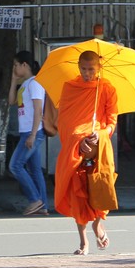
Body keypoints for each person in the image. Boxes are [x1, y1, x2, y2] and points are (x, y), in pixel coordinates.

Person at [53, 50, 118, 255]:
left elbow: (111, 122)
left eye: (91, 69)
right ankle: (83, 242)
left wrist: (99, 134)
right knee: (78, 193)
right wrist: (77, 140)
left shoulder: (107, 88)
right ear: (78, 67)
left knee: (101, 187)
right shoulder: (70, 87)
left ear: (99, 68)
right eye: (83, 69)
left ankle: (98, 224)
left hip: (99, 148)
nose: (87, 73)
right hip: (76, 148)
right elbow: (64, 121)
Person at [8, 51, 48, 216]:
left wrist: (32, 135)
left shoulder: (35, 84)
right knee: (35, 170)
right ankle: (43, 205)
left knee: (15, 165)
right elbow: (11, 102)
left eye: (16, 65)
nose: (15, 68)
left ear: (25, 65)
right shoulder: (25, 84)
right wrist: (13, 80)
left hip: (33, 133)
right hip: (28, 132)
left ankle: (35, 200)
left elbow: (39, 111)